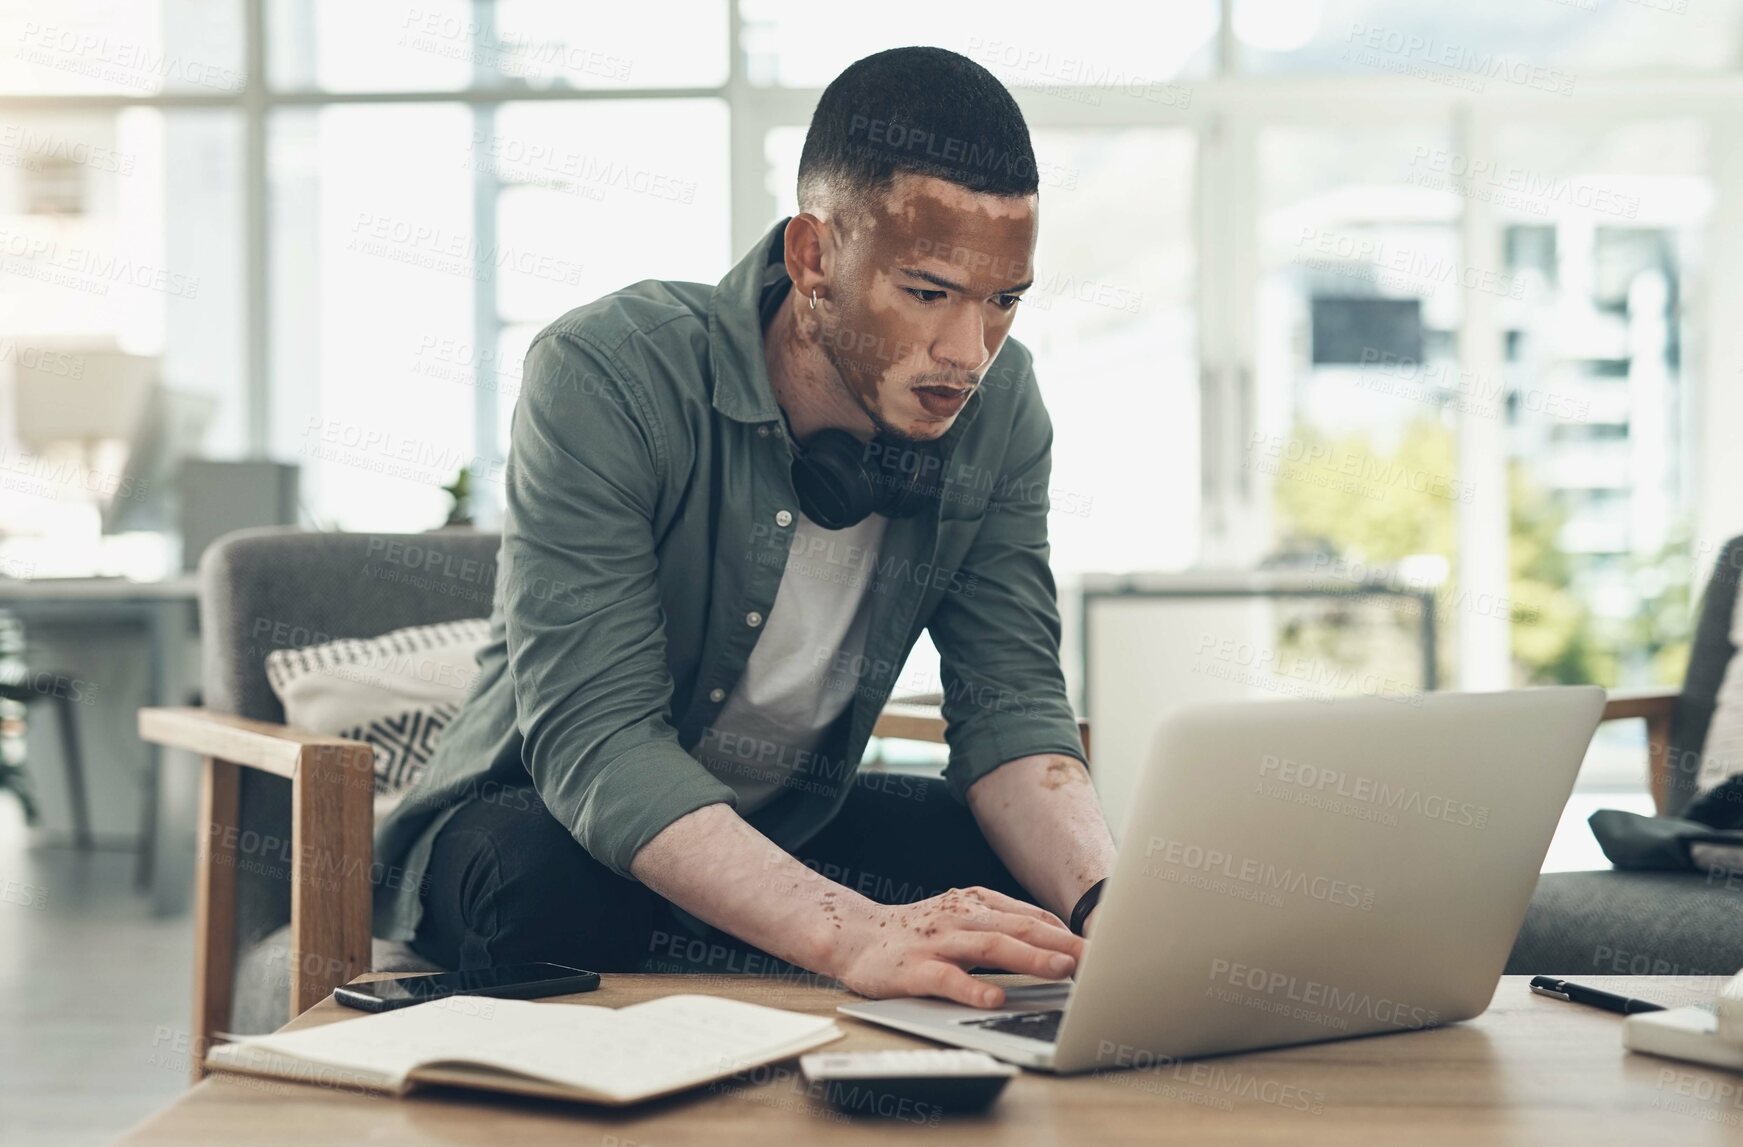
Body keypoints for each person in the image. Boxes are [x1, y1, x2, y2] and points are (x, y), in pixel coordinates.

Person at [373, 45, 1116, 1011]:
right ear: (814, 256)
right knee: (542, 891)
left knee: (1012, 893)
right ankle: (774, 952)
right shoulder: (606, 374)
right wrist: (852, 930)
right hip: (543, 815)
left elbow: (1011, 702)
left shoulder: (1000, 406)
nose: (966, 352)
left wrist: (1111, 907)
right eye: (927, 293)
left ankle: (785, 973)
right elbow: (597, 741)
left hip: (790, 824)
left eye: (1003, 301)